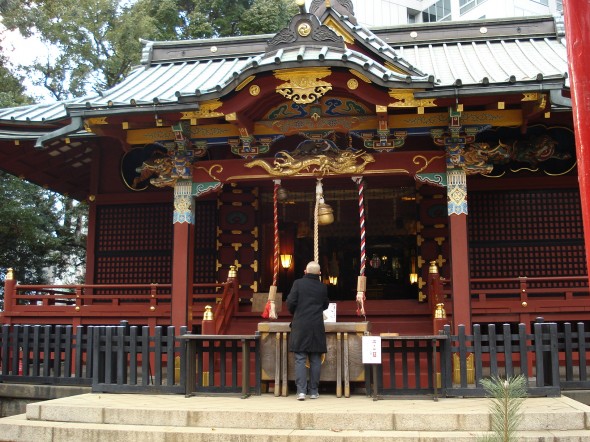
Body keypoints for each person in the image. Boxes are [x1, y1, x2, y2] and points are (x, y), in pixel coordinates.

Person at [286, 261, 330, 400]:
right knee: (315, 358)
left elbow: (290, 302)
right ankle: (313, 391)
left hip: (300, 325)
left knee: (300, 358)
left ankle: (301, 391)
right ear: (319, 273)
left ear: (305, 271)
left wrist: (297, 313)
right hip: (316, 325)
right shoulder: (322, 287)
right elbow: (325, 304)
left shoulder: (298, 284)